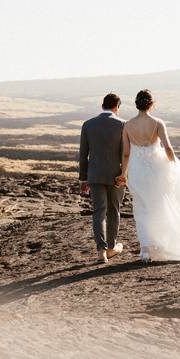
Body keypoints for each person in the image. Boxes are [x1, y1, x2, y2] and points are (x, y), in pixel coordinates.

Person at [119, 89, 180, 262]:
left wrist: (123, 173)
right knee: (161, 205)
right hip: (157, 170)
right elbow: (168, 148)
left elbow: (126, 153)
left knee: (142, 208)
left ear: (137, 104)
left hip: (137, 170)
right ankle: (163, 245)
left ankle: (146, 250)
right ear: (151, 104)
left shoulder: (127, 125)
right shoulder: (157, 123)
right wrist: (174, 167)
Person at [78, 93, 126, 263]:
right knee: (114, 210)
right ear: (116, 107)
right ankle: (112, 247)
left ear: (102, 106)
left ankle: (101, 251)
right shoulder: (122, 125)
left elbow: (83, 154)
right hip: (117, 176)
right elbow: (125, 154)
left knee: (99, 212)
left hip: (94, 175)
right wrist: (125, 174)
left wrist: (83, 179)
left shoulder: (88, 125)